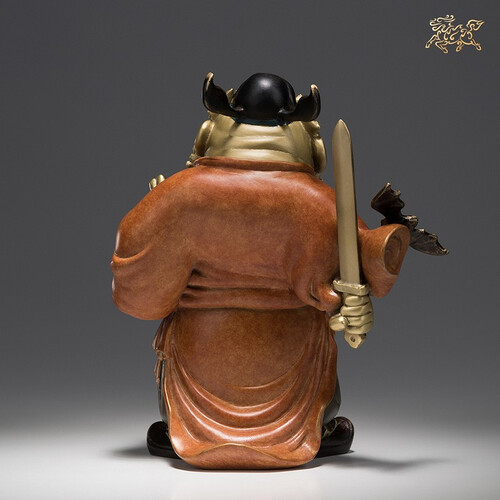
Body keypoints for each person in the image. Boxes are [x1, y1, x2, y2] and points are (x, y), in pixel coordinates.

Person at [111, 73, 409, 469]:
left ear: (212, 130)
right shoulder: (322, 205)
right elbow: (369, 264)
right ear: (309, 139)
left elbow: (138, 300)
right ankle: (318, 427)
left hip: (198, 385)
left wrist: (159, 217)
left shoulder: (180, 196)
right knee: (319, 373)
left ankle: (183, 428)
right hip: (296, 383)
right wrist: (360, 297)